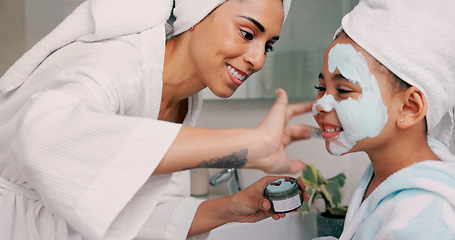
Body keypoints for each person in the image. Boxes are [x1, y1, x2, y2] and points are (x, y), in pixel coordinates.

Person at [0, 0, 315, 239]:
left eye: (268, 46)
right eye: (247, 33)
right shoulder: (120, 65)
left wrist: (231, 207)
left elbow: (137, 214)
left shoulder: (182, 98)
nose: (258, 59)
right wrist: (248, 146)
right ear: (199, 11)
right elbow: (45, 138)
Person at [312, 0, 455, 239]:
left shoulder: (424, 219)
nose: (320, 104)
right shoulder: (387, 175)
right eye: (321, 87)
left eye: (343, 91)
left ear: (409, 107)